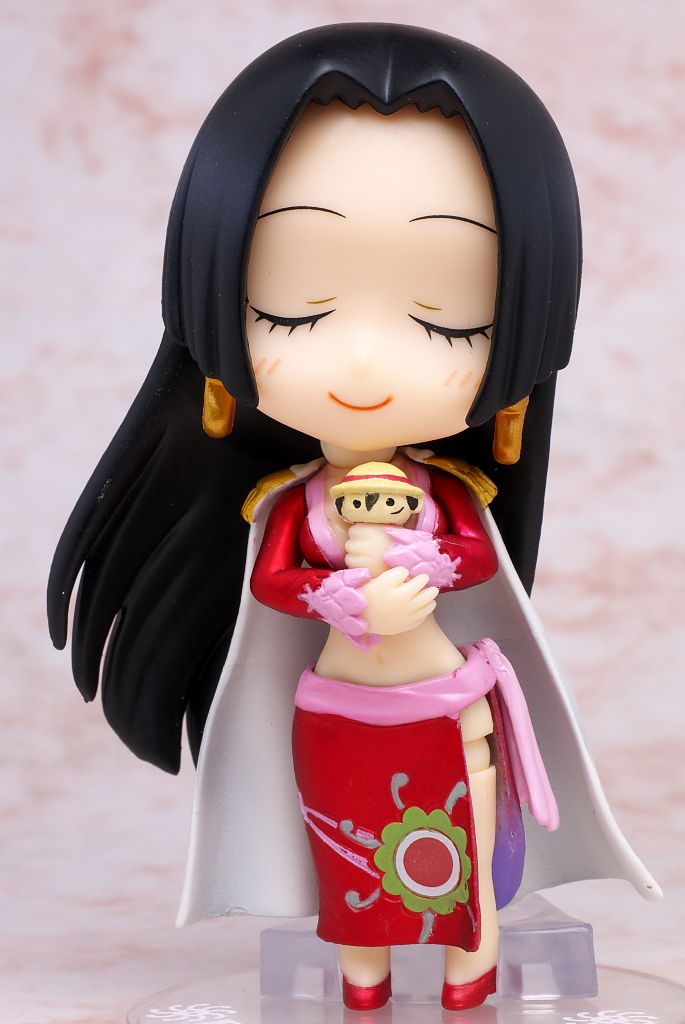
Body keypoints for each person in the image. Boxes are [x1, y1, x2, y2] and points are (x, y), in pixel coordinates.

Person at [48, 23, 659, 1013]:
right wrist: (334, 593)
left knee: (458, 855)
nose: (366, 365)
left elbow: (471, 559)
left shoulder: (447, 496)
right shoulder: (291, 504)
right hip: (337, 710)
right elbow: (273, 580)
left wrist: (426, 567)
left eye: (447, 322)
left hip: (444, 702)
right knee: (352, 859)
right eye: (293, 312)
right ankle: (362, 980)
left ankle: (468, 972)